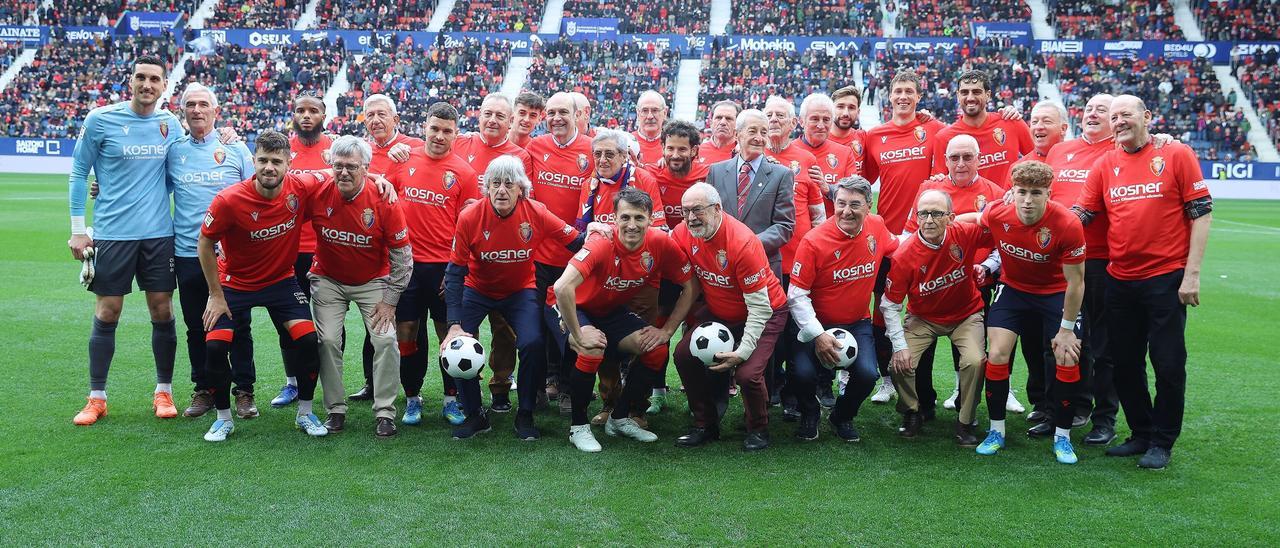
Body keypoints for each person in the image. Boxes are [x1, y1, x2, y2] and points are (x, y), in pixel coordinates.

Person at [1075, 95, 1213, 470]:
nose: (1118, 121)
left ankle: (1162, 441)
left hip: (1166, 278)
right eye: (1114, 116)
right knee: (1124, 363)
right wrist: (1037, 215)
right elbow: (1082, 213)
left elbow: (1201, 212)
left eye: (1126, 114)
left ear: (1147, 117)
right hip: (1119, 279)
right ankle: (1140, 432)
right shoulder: (1106, 164)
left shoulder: (1176, 154)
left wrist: (1192, 273)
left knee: (1168, 363)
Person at [197, 130, 335, 441]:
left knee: (307, 341)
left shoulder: (300, 187)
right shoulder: (229, 200)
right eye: (262, 161)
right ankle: (223, 418)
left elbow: (336, 170)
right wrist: (216, 295)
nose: (268, 167)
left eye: (276, 161)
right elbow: (204, 243)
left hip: (281, 281)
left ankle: (305, 412)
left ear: (289, 164)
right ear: (253, 162)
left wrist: (378, 179)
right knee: (216, 346)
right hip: (235, 284)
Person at [68, 55, 183, 426]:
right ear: (130, 81)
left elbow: (174, 174)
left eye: (154, 79)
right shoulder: (101, 119)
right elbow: (78, 172)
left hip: (158, 235)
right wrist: (77, 228)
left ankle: (163, 392)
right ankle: (96, 397)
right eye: (140, 78)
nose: (147, 85)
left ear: (164, 86)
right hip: (112, 234)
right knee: (107, 312)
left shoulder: (171, 125)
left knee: (162, 311)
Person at [442, 155, 586, 441]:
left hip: (520, 290)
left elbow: (577, 241)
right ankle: (475, 415)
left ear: (521, 188)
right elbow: (455, 273)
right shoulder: (470, 217)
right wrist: (454, 324)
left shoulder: (537, 212)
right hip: (477, 289)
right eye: (495, 183)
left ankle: (526, 413)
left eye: (509, 184)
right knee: (458, 348)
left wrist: (600, 234)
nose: (501, 190)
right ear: (487, 187)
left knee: (532, 343)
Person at [551, 188, 697, 452]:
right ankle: (579, 427)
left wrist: (667, 330)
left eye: (639, 218)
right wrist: (579, 333)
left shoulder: (660, 243)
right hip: (573, 309)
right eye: (625, 217)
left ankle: (619, 417)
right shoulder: (601, 243)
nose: (632, 225)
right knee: (591, 348)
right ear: (614, 219)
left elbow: (691, 286)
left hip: (610, 311)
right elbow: (562, 288)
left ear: (651, 219)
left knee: (656, 348)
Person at [971, 161, 1087, 465]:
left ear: (1049, 193)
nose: (1027, 200)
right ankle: (996, 431)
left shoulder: (1067, 223)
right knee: (996, 353)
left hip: (1055, 292)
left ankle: (1063, 437)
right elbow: (974, 219)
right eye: (1021, 191)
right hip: (1015, 289)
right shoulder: (998, 212)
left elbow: (1076, 283)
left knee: (1067, 355)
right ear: (1012, 191)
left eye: (1036, 193)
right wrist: (936, 220)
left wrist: (1065, 330)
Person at [670, 183, 790, 451]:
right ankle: (705, 424)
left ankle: (758, 428)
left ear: (717, 209)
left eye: (697, 210)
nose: (691, 218)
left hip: (765, 312)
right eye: (685, 211)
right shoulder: (683, 233)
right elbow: (657, 245)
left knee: (747, 373)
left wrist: (743, 351)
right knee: (683, 356)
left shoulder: (742, 242)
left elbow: (760, 308)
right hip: (720, 311)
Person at [383, 102, 480, 427]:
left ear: (456, 133)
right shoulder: (403, 160)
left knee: (448, 336)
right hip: (407, 267)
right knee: (406, 333)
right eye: (434, 128)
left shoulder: (464, 174)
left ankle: (451, 400)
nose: (439, 136)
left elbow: (466, 229)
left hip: (444, 270)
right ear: (425, 126)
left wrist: (456, 271)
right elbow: (385, 208)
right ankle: (413, 398)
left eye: (447, 131)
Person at [311, 136, 412, 438]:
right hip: (328, 278)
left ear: (366, 169)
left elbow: (403, 257)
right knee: (327, 340)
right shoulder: (317, 190)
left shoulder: (384, 199)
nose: (343, 173)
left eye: (351, 167)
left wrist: (391, 301)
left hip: (372, 281)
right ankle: (335, 409)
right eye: (338, 166)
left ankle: (384, 412)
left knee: (385, 340)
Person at [167, 83, 257, 419]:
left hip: (232, 256)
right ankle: (204, 388)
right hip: (189, 254)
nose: (196, 110)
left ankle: (244, 391)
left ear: (215, 111)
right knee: (196, 326)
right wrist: (104, 184)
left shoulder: (236, 149)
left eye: (203, 104)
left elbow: (255, 195)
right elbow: (149, 185)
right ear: (183, 112)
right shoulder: (175, 151)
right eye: (190, 104)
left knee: (239, 325)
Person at [900, 135, 1005, 417]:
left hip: (974, 283)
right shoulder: (929, 189)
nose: (960, 164)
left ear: (979, 159)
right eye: (954, 158)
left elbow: (1002, 243)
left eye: (967, 157)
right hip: (928, 284)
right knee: (921, 354)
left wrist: (988, 267)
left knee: (969, 354)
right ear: (944, 161)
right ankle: (923, 405)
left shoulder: (994, 192)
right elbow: (910, 235)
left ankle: (964, 407)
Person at [787, 177, 897, 441]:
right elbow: (796, 295)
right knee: (801, 373)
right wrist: (817, 334)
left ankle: (842, 416)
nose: (847, 211)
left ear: (869, 206)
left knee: (868, 374)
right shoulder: (814, 241)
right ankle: (809, 414)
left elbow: (901, 248)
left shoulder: (877, 228)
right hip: (817, 324)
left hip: (857, 322)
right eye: (841, 203)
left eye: (855, 205)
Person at [570, 129, 666, 425]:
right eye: (597, 154)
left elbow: (658, 227)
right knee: (604, 341)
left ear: (625, 156)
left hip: (640, 277)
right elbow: (583, 234)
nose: (602, 159)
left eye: (609, 154)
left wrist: (610, 230)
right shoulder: (591, 184)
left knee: (644, 343)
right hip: (604, 279)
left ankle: (635, 408)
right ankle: (610, 405)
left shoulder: (644, 179)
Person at [861, 71, 946, 408]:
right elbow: (861, 182)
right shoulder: (875, 135)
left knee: (929, 311)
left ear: (918, 96)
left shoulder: (934, 130)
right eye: (898, 91)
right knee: (883, 311)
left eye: (909, 91)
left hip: (925, 237)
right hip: (889, 239)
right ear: (889, 96)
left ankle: (935, 388)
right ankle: (885, 380)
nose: (903, 96)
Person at [882, 189, 990, 446]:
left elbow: (997, 225)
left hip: (966, 314)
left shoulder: (963, 233)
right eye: (923, 214)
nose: (929, 220)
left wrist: (980, 214)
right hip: (923, 318)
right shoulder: (904, 255)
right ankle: (912, 411)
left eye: (937, 214)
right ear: (916, 217)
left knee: (975, 361)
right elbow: (889, 305)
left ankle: (965, 422)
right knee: (898, 364)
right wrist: (898, 347)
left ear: (951, 217)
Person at [1044, 93, 1120, 445]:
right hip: (1059, 260)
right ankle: (1061, 407)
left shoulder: (1120, 151)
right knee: (1063, 337)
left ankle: (1104, 418)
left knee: (1104, 344)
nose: (1092, 114)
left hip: (1101, 260)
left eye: (1101, 110)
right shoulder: (1061, 150)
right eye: (1088, 109)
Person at [453, 93, 528, 415]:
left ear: (510, 121)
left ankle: (500, 386)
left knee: (505, 333)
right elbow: (421, 151)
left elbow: (526, 204)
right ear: (478, 116)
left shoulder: (521, 154)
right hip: (466, 262)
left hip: (507, 263)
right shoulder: (460, 144)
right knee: (456, 332)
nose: (493, 120)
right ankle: (461, 394)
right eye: (488, 114)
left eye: (500, 115)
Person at [346, 93, 423, 402]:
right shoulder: (360, 152)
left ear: (396, 119)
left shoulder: (412, 147)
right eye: (369, 115)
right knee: (374, 322)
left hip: (406, 251)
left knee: (409, 323)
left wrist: (412, 150)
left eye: (381, 114)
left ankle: (410, 388)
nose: (375, 120)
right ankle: (372, 382)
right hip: (371, 254)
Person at [527, 92, 595, 414]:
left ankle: (568, 388)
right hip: (539, 256)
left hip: (577, 256)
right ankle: (539, 386)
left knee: (572, 323)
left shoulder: (592, 150)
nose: (556, 118)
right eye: (551, 112)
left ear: (577, 114)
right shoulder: (535, 148)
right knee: (536, 326)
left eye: (563, 112)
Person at [644, 119, 710, 413]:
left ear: (695, 150)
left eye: (682, 149)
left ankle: (698, 389)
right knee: (657, 325)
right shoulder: (650, 174)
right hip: (662, 266)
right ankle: (656, 389)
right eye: (670, 148)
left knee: (695, 326)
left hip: (698, 265)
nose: (675, 154)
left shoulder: (708, 176)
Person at [276, 92, 333, 408]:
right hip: (287, 249)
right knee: (289, 321)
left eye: (313, 111)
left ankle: (328, 383)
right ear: (294, 115)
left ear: (324, 115)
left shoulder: (334, 150)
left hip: (325, 249)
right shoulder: (282, 151)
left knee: (327, 325)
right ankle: (292, 383)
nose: (307, 115)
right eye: (301, 110)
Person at [705, 108, 795, 277]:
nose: (759, 138)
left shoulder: (782, 175)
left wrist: (749, 245)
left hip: (764, 265)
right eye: (752, 131)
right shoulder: (716, 172)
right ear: (738, 134)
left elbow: (785, 226)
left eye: (764, 132)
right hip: (722, 264)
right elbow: (709, 216)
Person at [929, 70, 1034, 188]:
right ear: (958, 96)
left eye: (976, 92)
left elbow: (1038, 159)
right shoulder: (943, 138)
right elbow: (940, 185)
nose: (970, 98)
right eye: (964, 92)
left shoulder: (1012, 122)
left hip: (1010, 205)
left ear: (988, 95)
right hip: (967, 207)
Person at [796, 92, 859, 218]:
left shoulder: (845, 153)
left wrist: (827, 188)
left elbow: (855, 193)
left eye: (826, 119)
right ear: (801, 121)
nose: (821, 125)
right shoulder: (789, 151)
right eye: (814, 119)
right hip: (798, 231)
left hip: (834, 230)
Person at [632, 90, 668, 166]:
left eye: (655, 110)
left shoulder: (675, 146)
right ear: (638, 114)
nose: (650, 116)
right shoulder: (626, 143)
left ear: (665, 113)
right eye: (644, 111)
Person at [698, 100, 740, 165]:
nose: (722, 122)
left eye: (728, 118)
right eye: (718, 118)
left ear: (738, 124)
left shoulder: (743, 154)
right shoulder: (697, 152)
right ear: (711, 122)